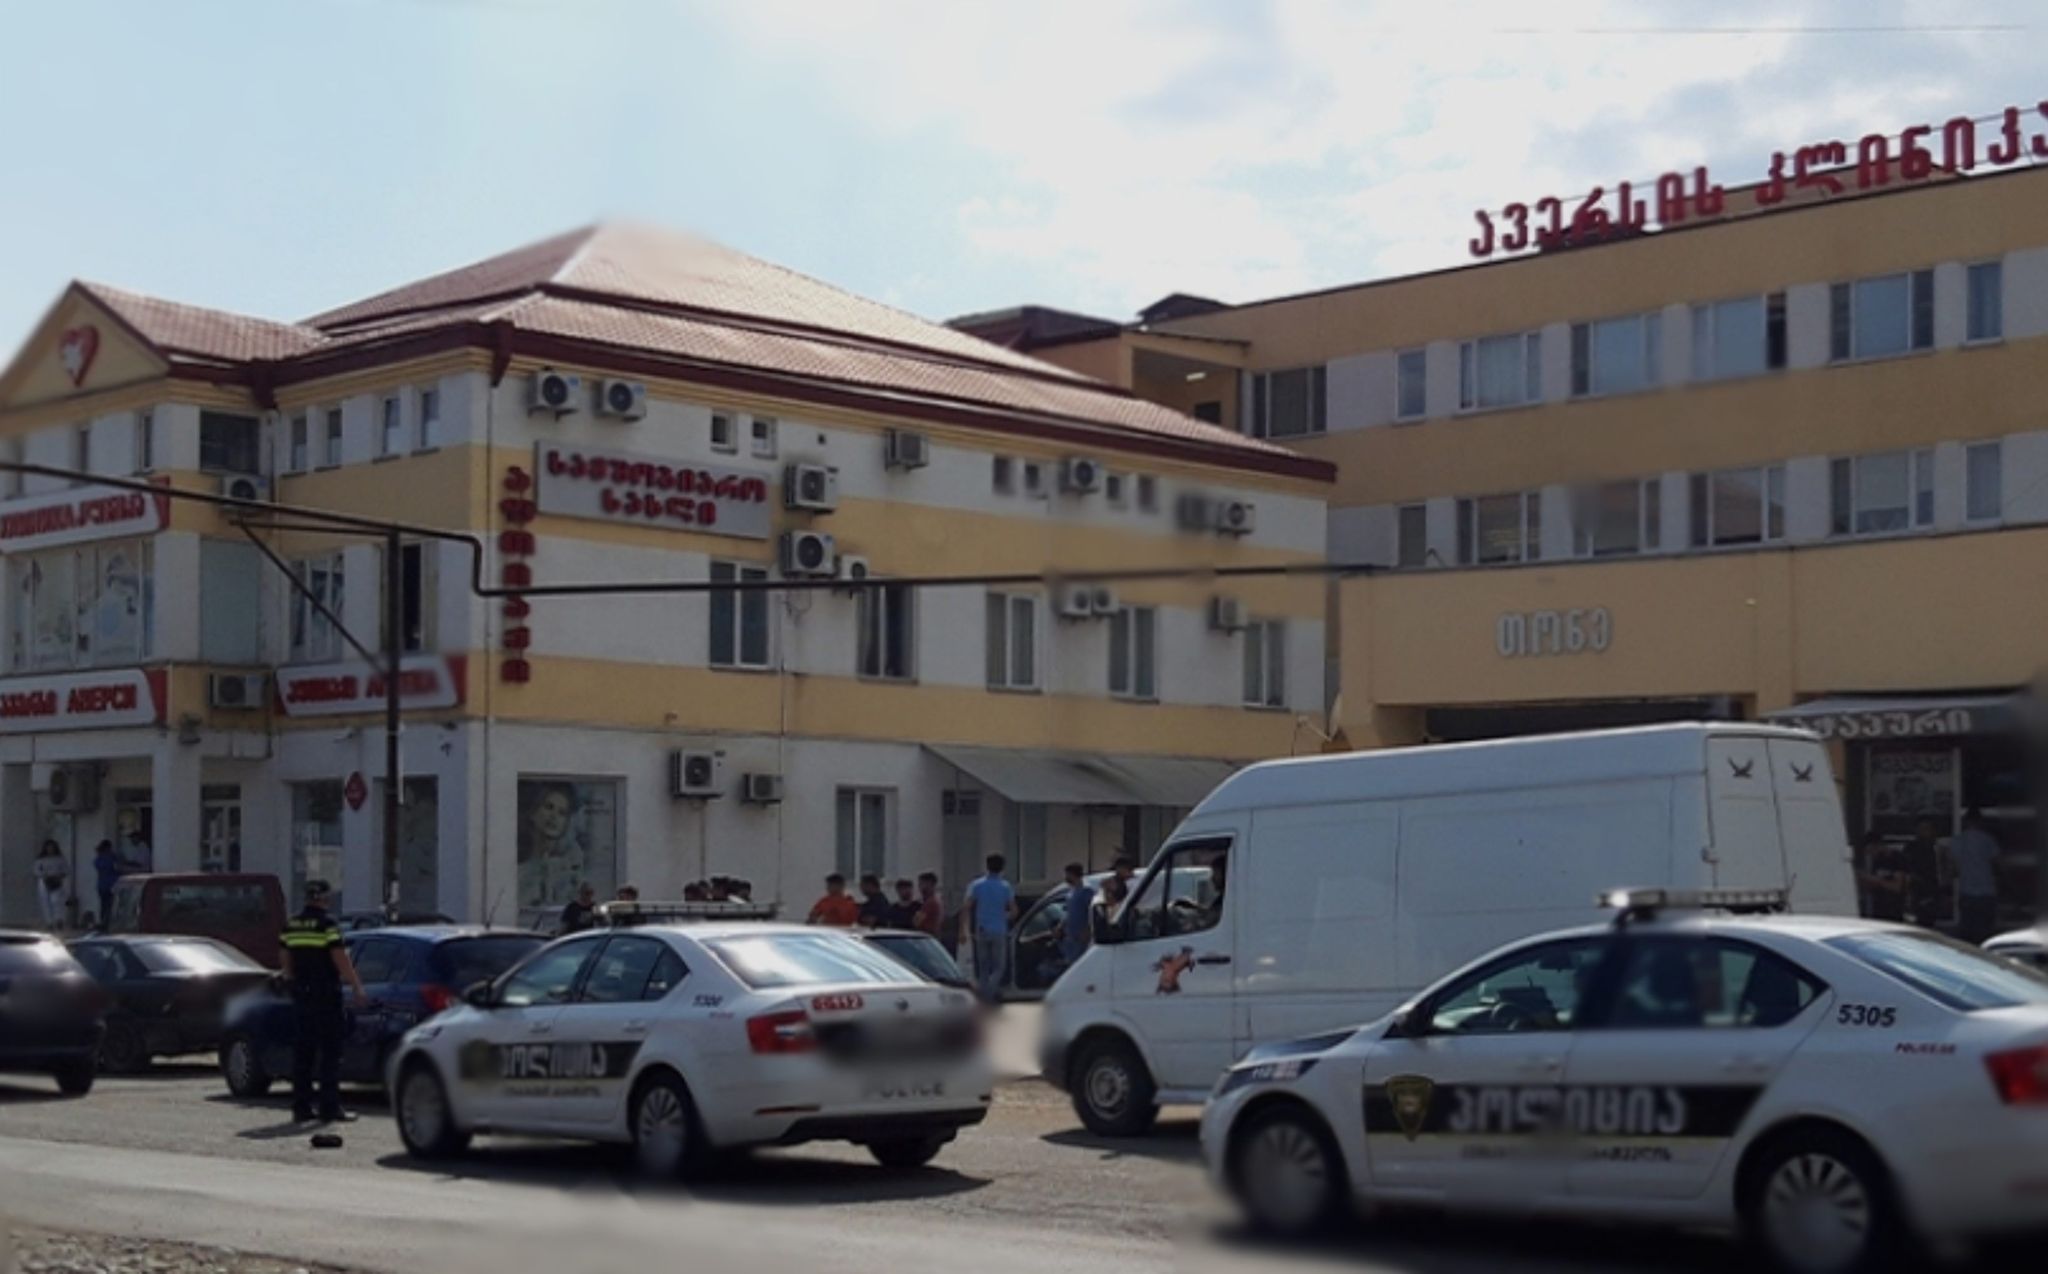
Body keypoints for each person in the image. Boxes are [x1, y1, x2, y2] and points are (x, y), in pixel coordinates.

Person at [280, 879, 368, 1126]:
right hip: (326, 995)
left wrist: (292, 981)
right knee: (330, 1053)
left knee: (303, 1054)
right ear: (325, 898)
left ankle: (301, 1108)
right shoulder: (328, 925)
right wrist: (356, 986)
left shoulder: (291, 925)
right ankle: (329, 1108)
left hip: (302, 995)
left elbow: (285, 958)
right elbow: (340, 958)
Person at [964, 854, 1017, 1004]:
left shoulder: (976, 885)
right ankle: (989, 992)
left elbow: (967, 907)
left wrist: (965, 927)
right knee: (999, 967)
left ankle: (983, 993)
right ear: (1002, 868)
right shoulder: (1005, 886)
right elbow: (1014, 911)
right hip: (999, 930)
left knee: (983, 967)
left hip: (981, 929)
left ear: (986, 866)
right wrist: (1004, 917)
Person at [1953, 809, 2002, 943]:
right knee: (1985, 932)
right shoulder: (1988, 840)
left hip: (1967, 890)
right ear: (1980, 822)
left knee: (1967, 933)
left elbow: (1955, 868)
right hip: (1987, 891)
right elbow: (1997, 863)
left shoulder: (1958, 841)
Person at [1901, 818, 1948, 928]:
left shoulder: (1938, 847)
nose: (1925, 831)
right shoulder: (1911, 848)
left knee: (1930, 921)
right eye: (1922, 829)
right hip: (1917, 891)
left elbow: (1944, 869)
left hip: (1935, 890)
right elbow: (1906, 868)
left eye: (1927, 828)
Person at [1855, 831, 1906, 922]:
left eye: (1871, 851)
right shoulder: (1877, 861)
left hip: (1894, 910)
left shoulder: (1897, 859)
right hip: (1879, 909)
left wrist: (1874, 879)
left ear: (1876, 845)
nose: (1870, 854)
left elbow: (1897, 887)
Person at [1058, 862, 1095, 969]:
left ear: (1072, 874)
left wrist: (1088, 930)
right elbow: (1069, 913)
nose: (1066, 878)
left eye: (1067, 875)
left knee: (1079, 965)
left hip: (1081, 936)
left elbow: (1092, 911)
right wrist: (1060, 926)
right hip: (1070, 936)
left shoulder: (1086, 891)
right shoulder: (1071, 892)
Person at [33, 841, 68, 929]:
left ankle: (59, 920)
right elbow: (36, 870)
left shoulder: (60, 859)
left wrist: (59, 876)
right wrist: (43, 876)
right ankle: (49, 922)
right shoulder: (41, 859)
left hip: (57, 881)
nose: (50, 849)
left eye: (52, 847)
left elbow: (66, 870)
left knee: (56, 901)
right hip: (44, 881)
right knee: (45, 902)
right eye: (48, 847)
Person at [92, 839, 122, 927]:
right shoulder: (112, 857)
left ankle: (103, 921)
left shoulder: (98, 859)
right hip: (112, 884)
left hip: (102, 885)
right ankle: (108, 922)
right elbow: (118, 868)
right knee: (111, 905)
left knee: (104, 905)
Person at [912, 873, 945, 940]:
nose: (919, 888)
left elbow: (916, 922)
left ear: (929, 884)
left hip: (927, 937)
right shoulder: (937, 900)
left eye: (921, 884)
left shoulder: (930, 902)